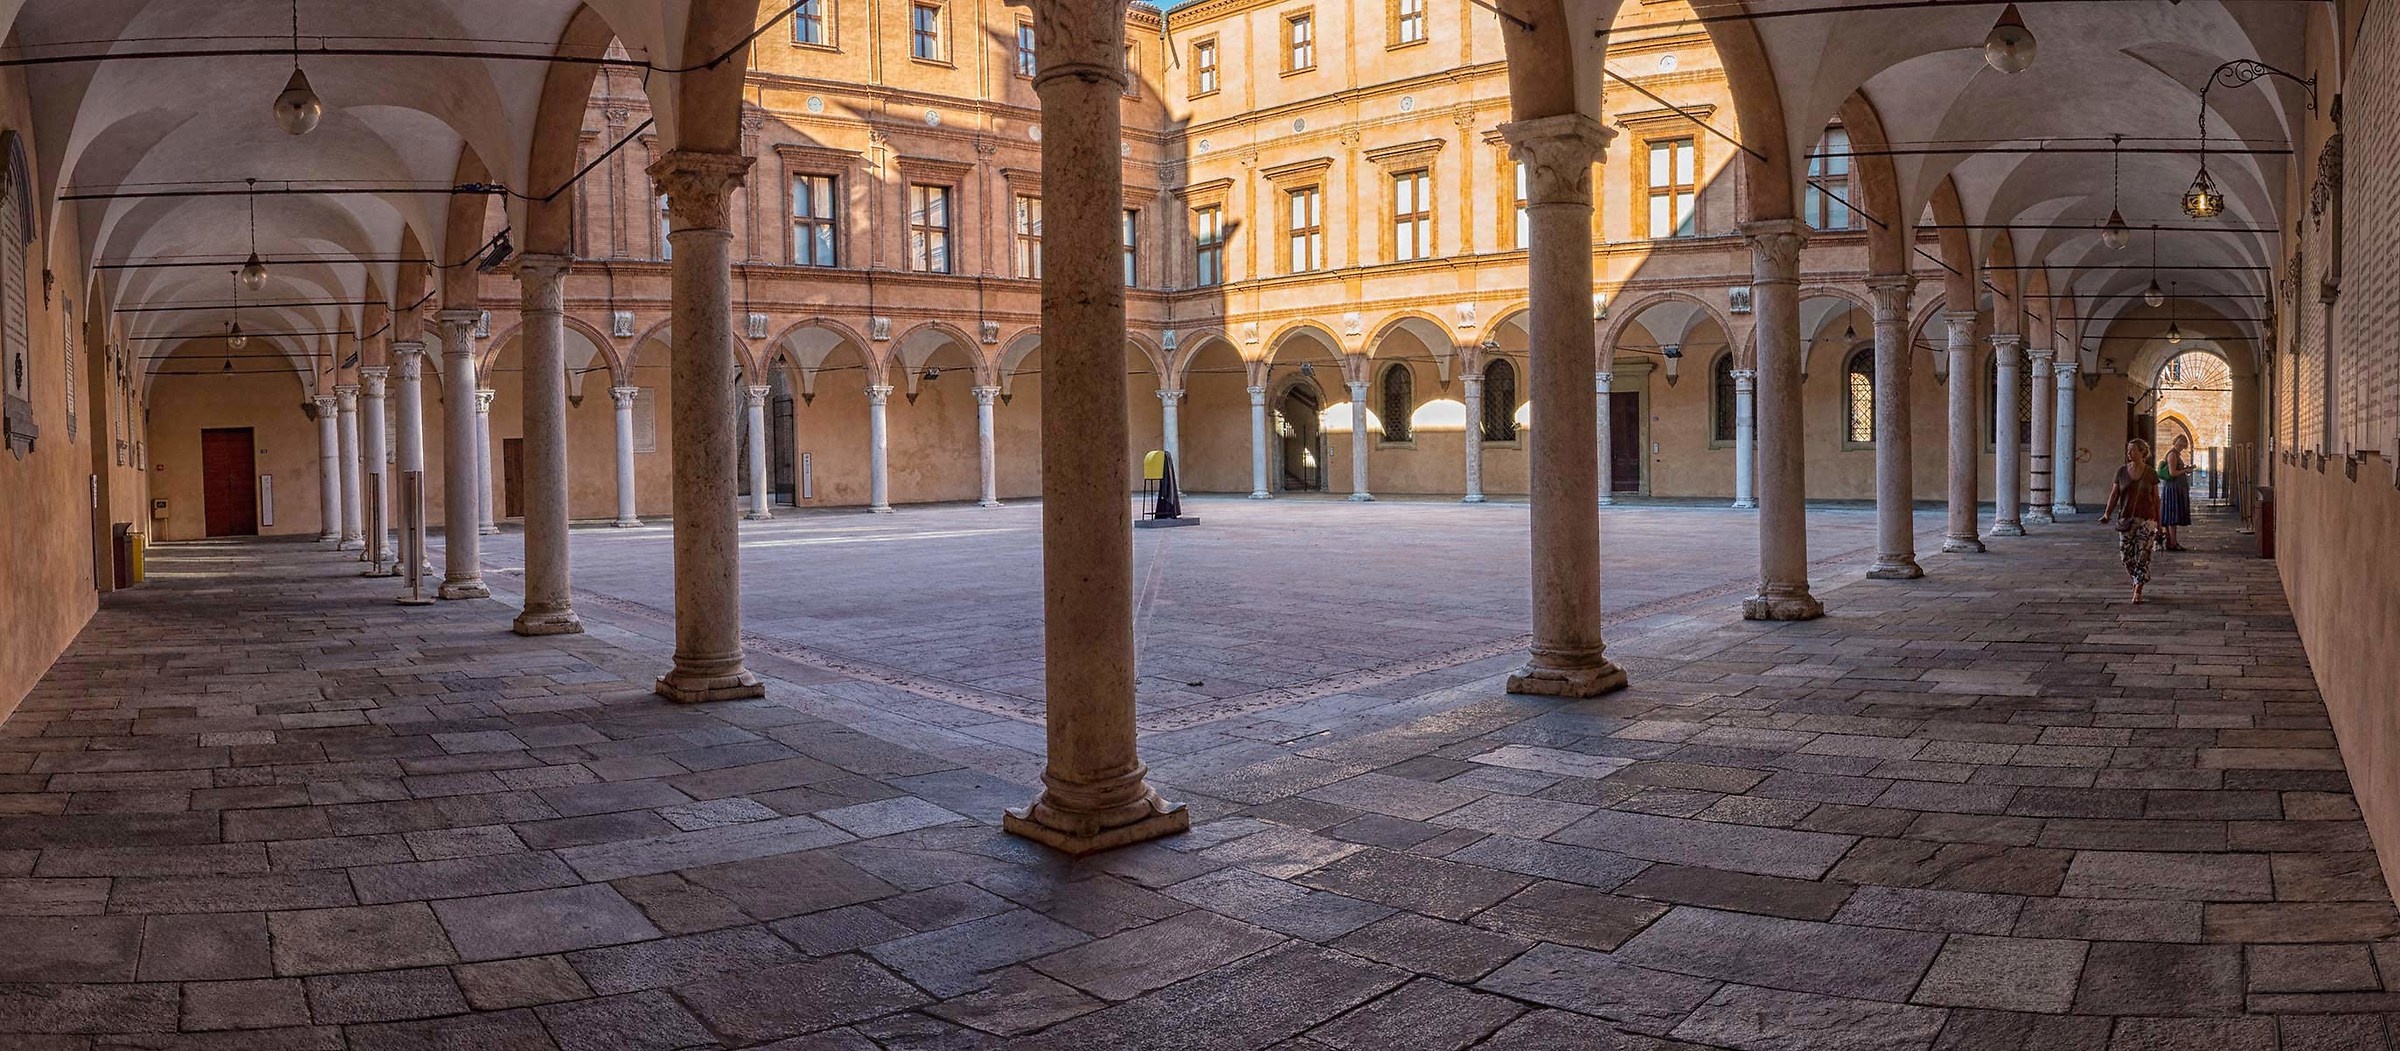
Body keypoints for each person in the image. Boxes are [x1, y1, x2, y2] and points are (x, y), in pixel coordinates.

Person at [2101, 438, 2162, 603]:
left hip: (2147, 520)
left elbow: (2156, 499)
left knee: (2143, 555)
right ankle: (2137, 578)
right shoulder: (2121, 472)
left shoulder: (2151, 474)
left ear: (2142, 452)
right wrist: (2107, 513)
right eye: (2128, 450)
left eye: (2132, 450)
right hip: (2126, 519)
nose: (2129, 453)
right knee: (2126, 556)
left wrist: (2159, 523)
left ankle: (2138, 589)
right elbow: (2114, 494)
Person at [2158, 433, 2194, 550]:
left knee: (2172, 515)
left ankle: (2171, 542)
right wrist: (2185, 471)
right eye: (2179, 445)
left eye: (2182, 446)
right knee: (2172, 516)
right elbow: (2173, 473)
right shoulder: (2172, 455)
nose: (2181, 447)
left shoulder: (2175, 454)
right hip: (2173, 488)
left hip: (2175, 488)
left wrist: (2185, 469)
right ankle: (2173, 543)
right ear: (2175, 443)